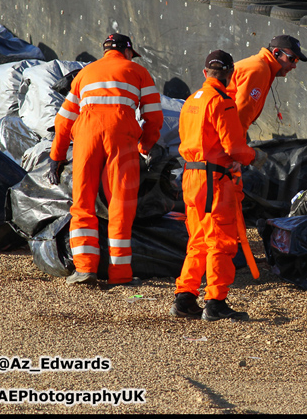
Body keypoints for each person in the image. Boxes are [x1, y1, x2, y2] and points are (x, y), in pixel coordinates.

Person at [48, 33, 163, 287]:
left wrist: (56, 156)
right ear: (128, 51)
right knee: (121, 204)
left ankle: (85, 269)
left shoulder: (84, 74)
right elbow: (153, 116)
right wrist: (146, 145)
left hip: (86, 135)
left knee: (82, 202)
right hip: (121, 136)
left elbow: (63, 120)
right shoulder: (138, 71)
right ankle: (120, 274)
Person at [171, 50, 267, 321]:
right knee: (221, 241)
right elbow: (235, 148)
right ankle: (215, 302)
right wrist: (254, 156)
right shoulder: (222, 102)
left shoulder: (192, 100)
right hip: (214, 181)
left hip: (190, 177)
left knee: (198, 241)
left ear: (205, 73)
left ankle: (185, 298)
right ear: (230, 75)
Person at [225, 34, 307, 267]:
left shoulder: (261, 67)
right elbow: (238, 117)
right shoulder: (259, 70)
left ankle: (229, 251)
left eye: (296, 61)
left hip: (222, 141)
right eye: (292, 59)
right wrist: (237, 155)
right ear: (276, 54)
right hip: (222, 144)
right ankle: (227, 254)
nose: (293, 66)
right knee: (228, 198)